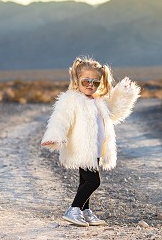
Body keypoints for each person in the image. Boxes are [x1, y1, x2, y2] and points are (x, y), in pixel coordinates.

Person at [41, 56, 140, 227]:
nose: (90, 85)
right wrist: (54, 136)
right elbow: (61, 118)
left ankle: (85, 211)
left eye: (95, 82)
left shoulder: (98, 101)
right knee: (94, 181)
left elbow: (114, 113)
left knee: (84, 182)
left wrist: (124, 92)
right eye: (86, 81)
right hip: (82, 149)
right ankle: (73, 209)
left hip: (96, 149)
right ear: (76, 80)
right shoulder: (71, 99)